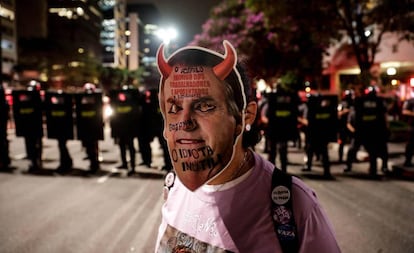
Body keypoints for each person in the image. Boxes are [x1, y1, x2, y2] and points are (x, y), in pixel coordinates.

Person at [154, 41, 340, 252]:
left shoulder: (294, 205)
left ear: (246, 115)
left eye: (204, 106)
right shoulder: (175, 186)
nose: (185, 122)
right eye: (175, 107)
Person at [344, 86, 390, 176]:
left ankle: (377, 169)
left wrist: (385, 129)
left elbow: (384, 117)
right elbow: (350, 121)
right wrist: (354, 131)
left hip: (373, 132)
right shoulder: (359, 103)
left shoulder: (379, 103)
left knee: (375, 151)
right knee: (353, 150)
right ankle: (348, 166)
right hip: (360, 131)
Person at [301, 94, 338, 178]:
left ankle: (309, 166)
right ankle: (326, 171)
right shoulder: (327, 109)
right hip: (322, 134)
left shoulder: (311, 109)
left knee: (311, 150)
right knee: (323, 152)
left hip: (314, 133)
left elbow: (306, 121)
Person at [337, 89, 354, 163]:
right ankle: (340, 158)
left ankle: (352, 158)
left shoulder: (354, 104)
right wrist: (346, 111)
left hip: (351, 126)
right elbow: (338, 114)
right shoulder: (342, 104)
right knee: (341, 143)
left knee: (353, 143)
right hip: (343, 126)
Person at [401, 96, 414, 167]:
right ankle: (407, 161)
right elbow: (404, 111)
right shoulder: (410, 101)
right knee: (411, 144)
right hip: (412, 126)